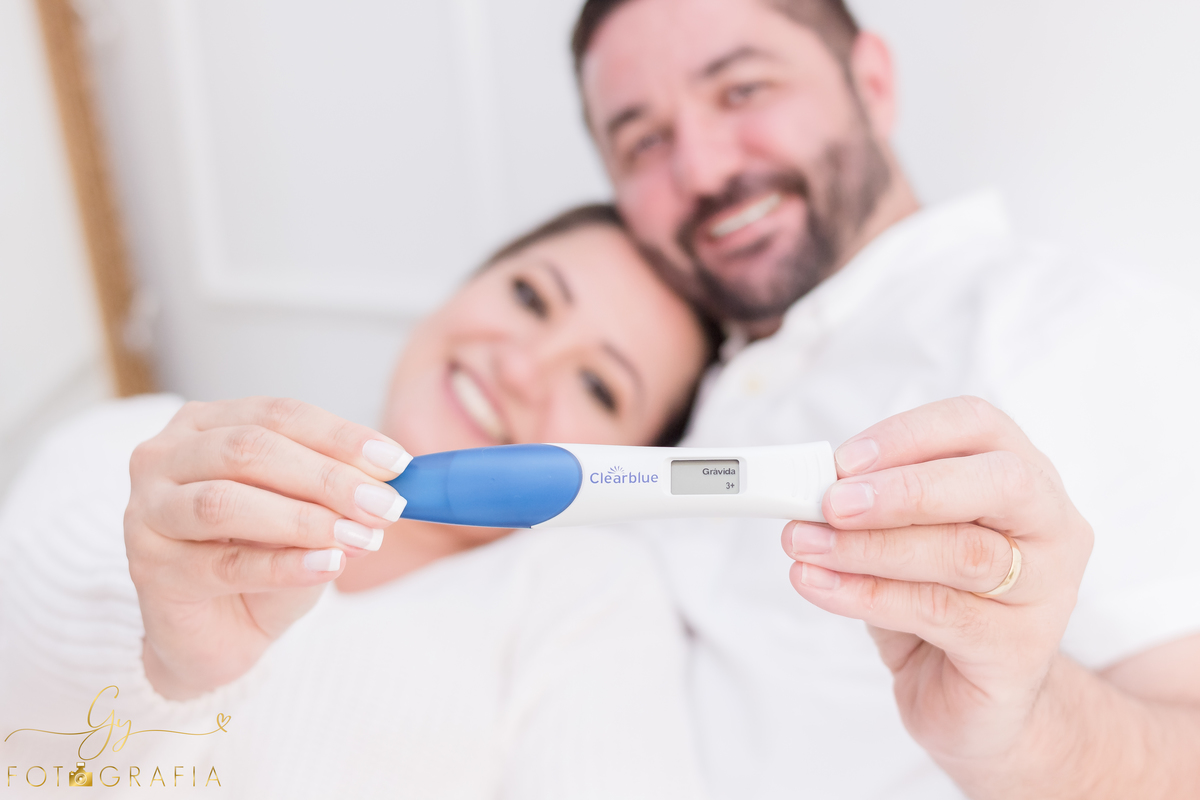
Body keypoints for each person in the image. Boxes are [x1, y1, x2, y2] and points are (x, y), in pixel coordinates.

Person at [571, 0, 1200, 797]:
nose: (700, 169)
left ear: (870, 81)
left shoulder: (1068, 328)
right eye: (643, 141)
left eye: (742, 91)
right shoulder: (674, 382)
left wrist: (1019, 735)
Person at [0, 205, 714, 798]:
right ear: (463, 288)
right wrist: (161, 659)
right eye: (530, 297)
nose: (522, 367)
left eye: (600, 387)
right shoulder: (145, 445)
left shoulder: (593, 600)